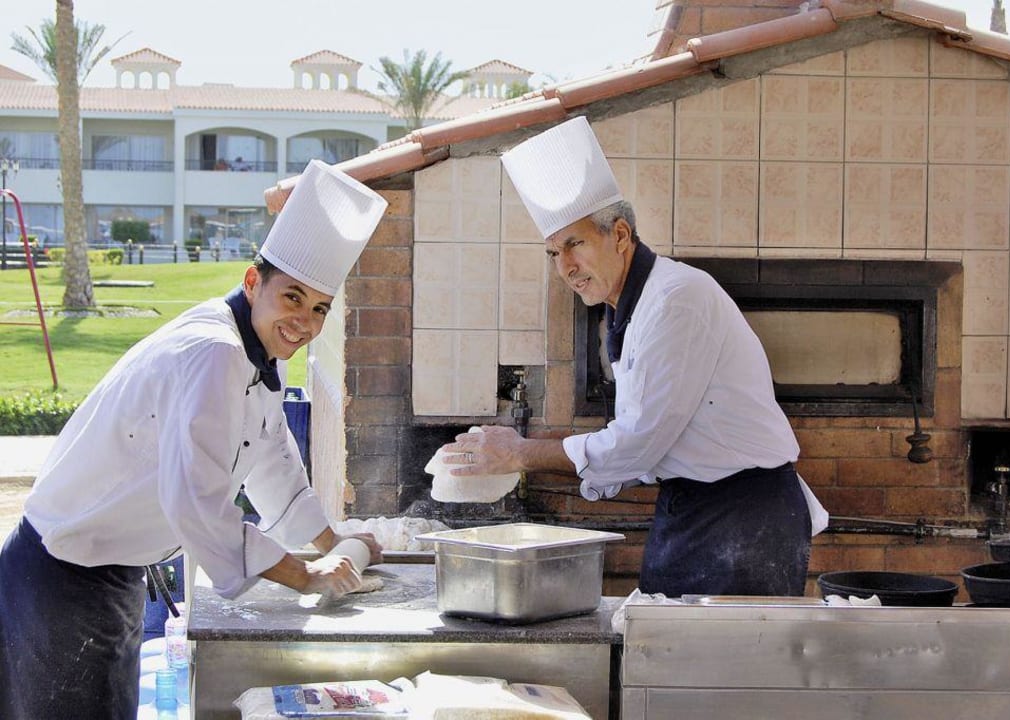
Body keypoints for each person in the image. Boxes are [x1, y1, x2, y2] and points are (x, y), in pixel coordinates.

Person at [0, 159, 388, 719]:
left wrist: (336, 545)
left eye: (320, 309)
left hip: (110, 575)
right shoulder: (215, 352)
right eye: (293, 298)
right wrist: (303, 574)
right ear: (254, 282)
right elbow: (195, 504)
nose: (304, 321)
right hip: (62, 581)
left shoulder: (254, 356)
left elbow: (274, 465)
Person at [442, 117, 827, 599]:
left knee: (723, 667)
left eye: (575, 244)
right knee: (665, 655)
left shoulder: (675, 299)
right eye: (553, 253)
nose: (565, 268)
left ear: (620, 235)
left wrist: (522, 452)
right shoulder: (630, 308)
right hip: (692, 507)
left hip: (743, 518)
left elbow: (639, 441)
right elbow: (643, 445)